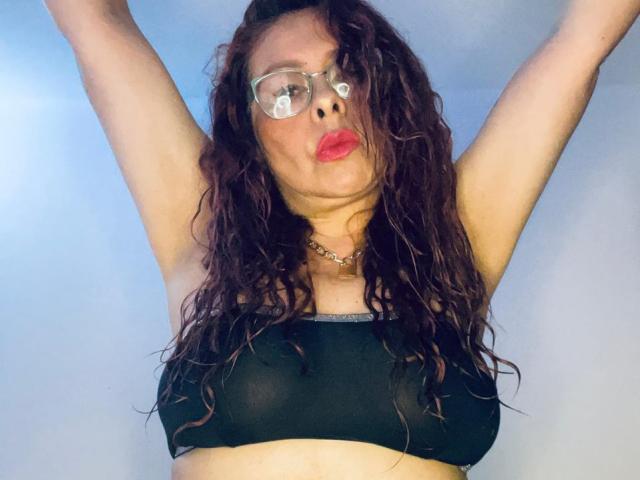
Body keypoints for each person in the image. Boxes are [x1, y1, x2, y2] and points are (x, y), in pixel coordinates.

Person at [44, 0, 639, 478]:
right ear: (249, 135)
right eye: (285, 91)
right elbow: (96, 23)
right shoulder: (206, 234)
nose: (327, 102)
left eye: (348, 74)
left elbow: (581, 44)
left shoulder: (450, 239)